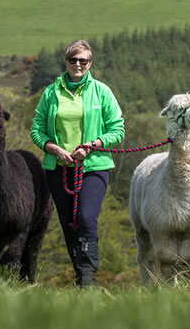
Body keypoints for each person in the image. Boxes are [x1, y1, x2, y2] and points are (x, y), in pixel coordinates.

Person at [30, 39, 125, 287]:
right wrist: (52, 148)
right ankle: (80, 277)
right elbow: (37, 130)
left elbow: (117, 130)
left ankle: (88, 278)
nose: (78, 64)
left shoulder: (102, 92)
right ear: (66, 62)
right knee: (69, 224)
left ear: (90, 63)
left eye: (83, 60)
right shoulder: (51, 93)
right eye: (73, 60)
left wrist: (92, 145)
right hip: (58, 169)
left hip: (93, 167)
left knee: (85, 218)